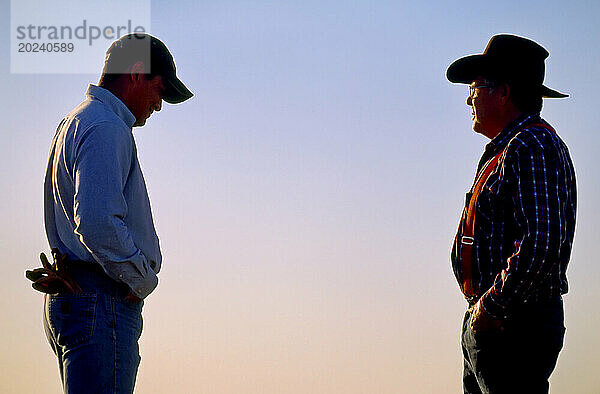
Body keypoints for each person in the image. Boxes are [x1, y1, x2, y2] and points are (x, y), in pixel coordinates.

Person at [32, 33, 192, 393]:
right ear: (137, 73)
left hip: (83, 296)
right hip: (102, 300)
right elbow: (96, 221)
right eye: (159, 89)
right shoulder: (107, 126)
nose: (159, 104)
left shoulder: (77, 121)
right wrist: (141, 278)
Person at [447, 34, 576, 393]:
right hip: (499, 323)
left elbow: (541, 242)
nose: (470, 97)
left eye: (476, 87)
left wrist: (491, 308)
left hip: (511, 325)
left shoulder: (530, 145)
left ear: (503, 93)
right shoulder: (515, 146)